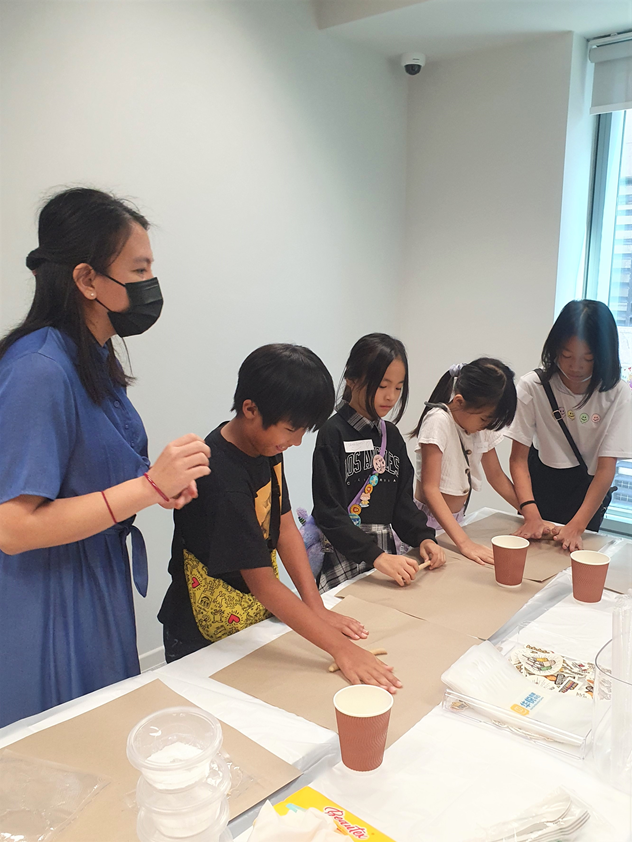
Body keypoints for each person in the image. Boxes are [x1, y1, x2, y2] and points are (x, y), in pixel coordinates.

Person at [0, 188, 210, 729]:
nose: (149, 286)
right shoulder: (39, 369)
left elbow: (89, 473)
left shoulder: (92, 357)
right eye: (137, 270)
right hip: (49, 593)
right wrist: (145, 489)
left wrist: (159, 484)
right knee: (65, 750)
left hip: (97, 574)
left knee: (107, 727)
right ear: (87, 279)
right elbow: (13, 527)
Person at [158, 344, 401, 693]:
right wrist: (342, 650)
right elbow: (263, 584)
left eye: (304, 430)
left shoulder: (264, 446)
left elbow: (285, 524)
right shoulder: (223, 477)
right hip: (199, 631)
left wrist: (316, 606)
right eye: (291, 429)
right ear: (250, 409)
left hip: (246, 613)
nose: (298, 442)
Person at [311, 333, 445, 593]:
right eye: (382, 386)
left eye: (398, 387)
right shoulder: (333, 432)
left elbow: (401, 505)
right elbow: (330, 512)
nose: (391, 397)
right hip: (345, 551)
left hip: (384, 555)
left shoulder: (391, 436)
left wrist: (424, 538)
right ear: (351, 379)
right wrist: (376, 555)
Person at [508, 299, 632, 552]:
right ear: (554, 349)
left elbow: (606, 468)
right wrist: (529, 511)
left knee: (574, 567)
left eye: (587, 358)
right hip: (540, 485)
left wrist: (577, 525)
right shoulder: (533, 386)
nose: (576, 366)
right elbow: (518, 460)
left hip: (589, 493)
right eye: (566, 355)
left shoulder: (617, 394)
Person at [411, 359, 518, 565]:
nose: (486, 426)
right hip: (428, 525)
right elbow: (430, 489)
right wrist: (465, 543)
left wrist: (529, 512)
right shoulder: (438, 421)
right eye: (485, 420)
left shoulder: (479, 425)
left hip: (456, 521)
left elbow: (495, 474)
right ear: (459, 402)